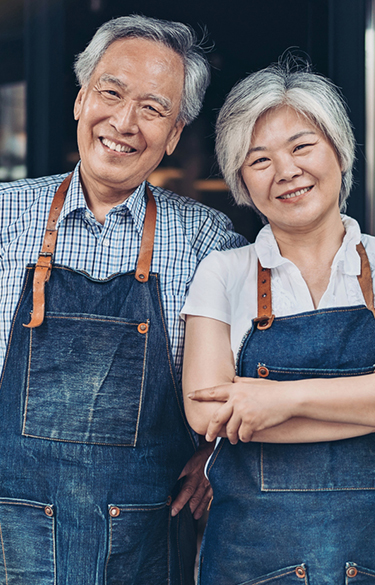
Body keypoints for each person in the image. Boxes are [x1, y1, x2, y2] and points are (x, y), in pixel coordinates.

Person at [0, 15, 246, 585]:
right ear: (83, 98)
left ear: (176, 133)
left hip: (145, 541)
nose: (124, 122)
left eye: (153, 108)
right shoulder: (5, 217)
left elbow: (260, 373)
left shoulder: (209, 241)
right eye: (111, 93)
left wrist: (218, 457)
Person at [182, 60, 375, 585]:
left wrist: (278, 400)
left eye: (301, 146)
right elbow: (209, 416)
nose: (285, 170)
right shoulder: (223, 271)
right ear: (241, 180)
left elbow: (246, 409)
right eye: (258, 159)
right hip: (251, 564)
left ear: (339, 149)